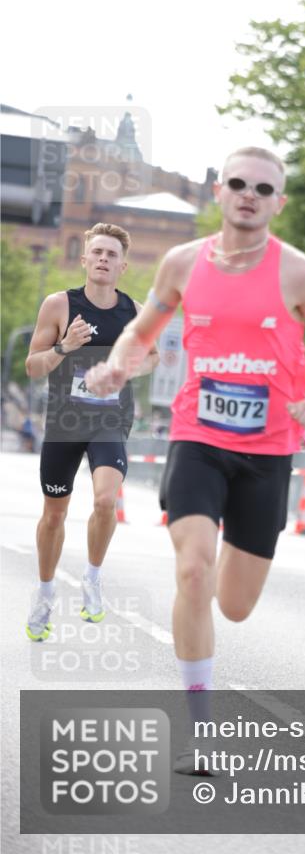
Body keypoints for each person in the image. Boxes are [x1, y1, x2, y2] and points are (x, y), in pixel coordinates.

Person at [85, 147, 305, 771]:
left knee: (234, 604)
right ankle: (201, 730)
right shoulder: (183, 263)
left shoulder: (300, 274)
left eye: (263, 189)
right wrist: (118, 366)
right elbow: (141, 332)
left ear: (278, 203)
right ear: (219, 192)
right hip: (198, 439)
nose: (249, 195)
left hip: (267, 452)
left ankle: (221, 572)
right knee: (192, 572)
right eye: (238, 183)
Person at [24, 223, 159, 642]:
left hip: (110, 419)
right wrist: (64, 347)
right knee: (54, 514)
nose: (103, 259)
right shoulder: (59, 305)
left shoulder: (134, 312)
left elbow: (153, 358)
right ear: (84, 259)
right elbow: (32, 367)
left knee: (105, 500)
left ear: (122, 266)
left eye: (111, 254)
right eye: (97, 252)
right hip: (65, 423)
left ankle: (93, 578)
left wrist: (125, 367)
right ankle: (45, 593)